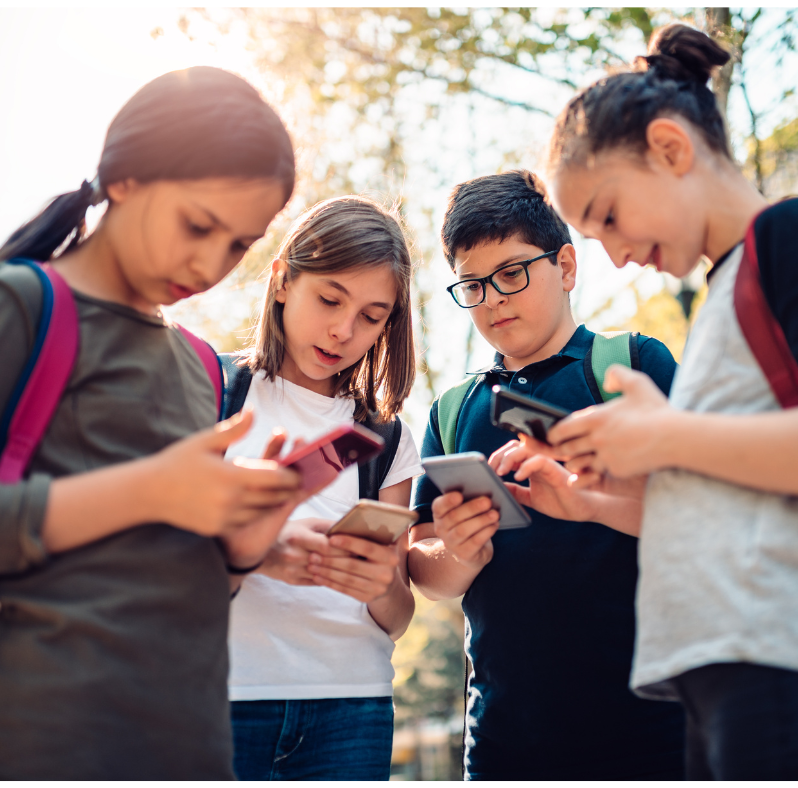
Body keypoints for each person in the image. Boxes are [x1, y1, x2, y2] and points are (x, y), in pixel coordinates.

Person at [542, 23, 798, 780]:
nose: (613, 255)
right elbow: (744, 491)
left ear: (670, 148)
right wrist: (614, 488)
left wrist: (670, 437)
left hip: (793, 668)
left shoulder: (792, 235)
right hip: (728, 673)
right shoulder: (724, 293)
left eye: (608, 216)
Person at [0, 67, 308, 780]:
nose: (210, 264)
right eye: (198, 224)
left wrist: (240, 548)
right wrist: (149, 490)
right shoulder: (24, 306)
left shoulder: (203, 365)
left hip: (187, 746)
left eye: (239, 245)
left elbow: (182, 573)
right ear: (127, 177)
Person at [408, 170, 686, 780]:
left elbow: (705, 518)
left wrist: (594, 496)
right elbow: (428, 573)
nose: (495, 299)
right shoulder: (453, 412)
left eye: (511, 274)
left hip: (655, 731)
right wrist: (457, 551)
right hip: (505, 741)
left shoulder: (632, 367)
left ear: (564, 266)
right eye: (473, 285)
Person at [224, 196, 423, 781]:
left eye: (371, 315)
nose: (343, 330)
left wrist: (381, 581)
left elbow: (399, 615)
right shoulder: (213, 394)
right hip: (222, 693)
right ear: (284, 281)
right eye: (330, 299)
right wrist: (252, 547)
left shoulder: (386, 438)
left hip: (352, 707)